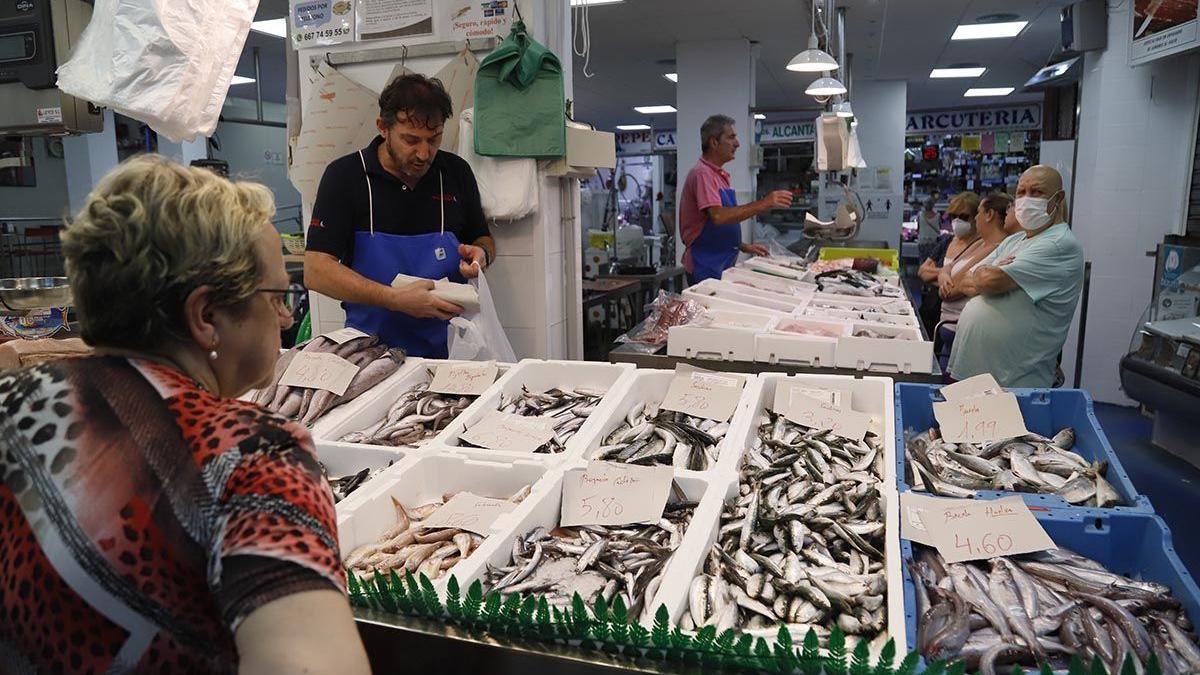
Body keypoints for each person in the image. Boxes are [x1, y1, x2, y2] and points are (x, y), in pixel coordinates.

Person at [0, 155, 370, 674]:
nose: (287, 317)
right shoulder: (253, 457)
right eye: (276, 296)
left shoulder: (9, 400)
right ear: (206, 316)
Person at [305, 74, 495, 358]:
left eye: (434, 139)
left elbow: (483, 238)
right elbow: (317, 271)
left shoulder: (456, 172)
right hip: (368, 353)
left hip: (451, 351)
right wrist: (394, 299)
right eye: (411, 140)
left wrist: (481, 255)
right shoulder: (345, 176)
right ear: (383, 127)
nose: (423, 153)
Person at [948, 166, 1084, 387]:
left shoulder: (1058, 244)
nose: (1025, 199)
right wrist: (988, 274)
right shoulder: (1016, 241)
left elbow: (990, 281)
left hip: (1013, 381)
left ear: (1057, 198)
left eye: (1036, 192)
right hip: (978, 375)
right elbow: (965, 282)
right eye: (1021, 192)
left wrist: (988, 273)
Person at [679, 114, 793, 283]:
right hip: (705, 265)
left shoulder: (719, 175)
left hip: (720, 262)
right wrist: (764, 203)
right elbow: (718, 216)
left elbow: (716, 226)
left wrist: (743, 246)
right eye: (731, 137)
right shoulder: (702, 174)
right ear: (714, 142)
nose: (737, 144)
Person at [934, 192, 1014, 369]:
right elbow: (948, 269)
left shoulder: (997, 248)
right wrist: (944, 274)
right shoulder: (979, 243)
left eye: (978, 212)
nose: (976, 218)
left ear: (989, 215)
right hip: (949, 332)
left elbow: (951, 291)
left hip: (963, 334)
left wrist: (947, 279)